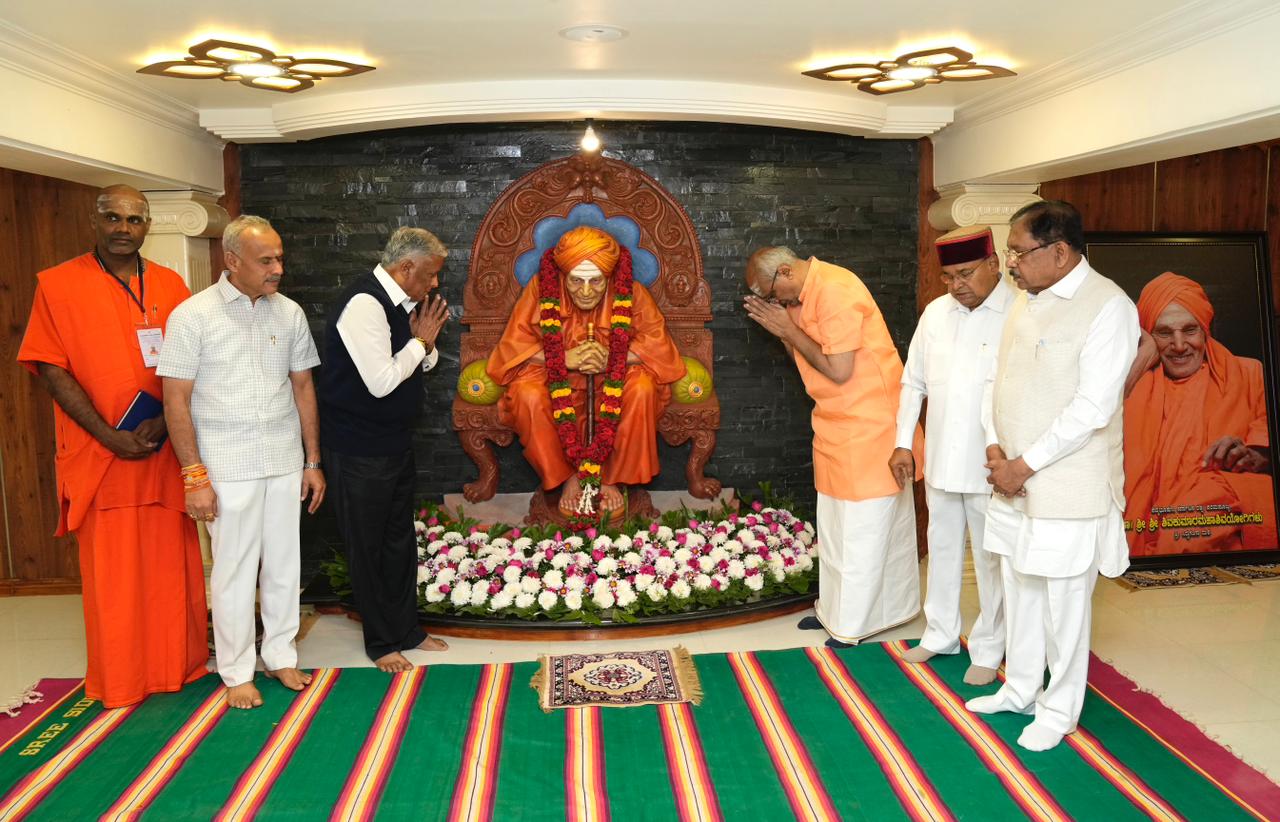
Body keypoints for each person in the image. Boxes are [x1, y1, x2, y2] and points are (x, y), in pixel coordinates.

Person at [16, 185, 207, 707]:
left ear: (148, 226)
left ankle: (180, 667)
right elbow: (50, 368)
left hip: (163, 452)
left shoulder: (170, 284)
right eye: (113, 218)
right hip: (101, 455)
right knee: (115, 577)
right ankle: (122, 680)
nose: (124, 228)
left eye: (135, 219)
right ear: (94, 221)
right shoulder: (56, 285)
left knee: (172, 571)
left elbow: (193, 362)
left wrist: (166, 425)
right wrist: (107, 435)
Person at [966, 200, 1138, 752]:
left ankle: (1059, 709)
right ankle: (1018, 688)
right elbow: (1000, 379)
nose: (1011, 263)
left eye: (1018, 251)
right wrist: (995, 444)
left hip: (1067, 483)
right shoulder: (1026, 298)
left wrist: (1023, 465)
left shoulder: (1108, 306)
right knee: (1019, 584)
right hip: (1013, 476)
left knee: (1065, 600)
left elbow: (1092, 408)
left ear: (1059, 251)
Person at [158, 215, 324, 709]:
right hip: (226, 466)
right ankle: (235, 671)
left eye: (280, 258)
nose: (277, 269)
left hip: (283, 459)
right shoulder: (193, 316)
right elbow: (175, 401)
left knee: (283, 565)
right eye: (266, 260)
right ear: (231, 261)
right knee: (233, 569)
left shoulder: (288, 312)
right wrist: (194, 477)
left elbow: (303, 387)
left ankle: (280, 654)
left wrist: (312, 461)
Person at [743, 246, 921, 647]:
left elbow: (839, 370)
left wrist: (787, 330)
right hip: (834, 421)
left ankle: (856, 624)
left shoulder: (837, 289)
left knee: (865, 527)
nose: (776, 304)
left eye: (772, 295)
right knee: (836, 525)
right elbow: (804, 358)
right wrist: (784, 329)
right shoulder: (800, 294)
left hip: (870, 423)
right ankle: (836, 612)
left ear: (785, 271)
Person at [319, 226, 451, 673]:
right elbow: (380, 382)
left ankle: (407, 630)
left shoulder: (401, 304)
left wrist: (422, 344)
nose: (434, 284)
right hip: (358, 451)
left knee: (399, 543)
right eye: (431, 275)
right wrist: (419, 342)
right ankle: (380, 643)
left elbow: (420, 364)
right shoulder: (364, 303)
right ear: (406, 267)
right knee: (368, 547)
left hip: (393, 445)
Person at [487, 226, 685, 514]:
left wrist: (613, 358)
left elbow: (658, 347)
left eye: (596, 282)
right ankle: (567, 479)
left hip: (614, 377)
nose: (586, 291)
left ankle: (610, 479)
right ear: (563, 276)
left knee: (642, 388)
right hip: (555, 377)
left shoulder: (632, 292)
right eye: (576, 281)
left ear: (610, 277)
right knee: (527, 394)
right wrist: (564, 358)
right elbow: (514, 347)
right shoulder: (541, 290)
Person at [891, 226, 1009, 686]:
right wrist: (904, 441)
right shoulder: (936, 314)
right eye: (948, 277)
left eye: (966, 273)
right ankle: (939, 633)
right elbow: (913, 382)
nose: (957, 285)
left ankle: (988, 647)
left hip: (990, 465)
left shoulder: (1018, 314)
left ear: (994, 265)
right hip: (940, 458)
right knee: (939, 550)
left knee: (989, 559)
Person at [1123, 272, 1276, 555]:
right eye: (1164, 333)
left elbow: (1269, 435)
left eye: (1190, 330)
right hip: (1141, 536)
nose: (1179, 345)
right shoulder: (1135, 384)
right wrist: (1143, 354)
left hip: (1224, 534)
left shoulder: (1248, 373)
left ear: (1206, 330)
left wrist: (1257, 454)